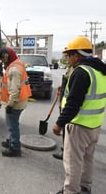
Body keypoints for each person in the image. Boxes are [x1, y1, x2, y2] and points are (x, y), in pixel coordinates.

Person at [52, 36, 106, 194]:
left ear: (77, 55)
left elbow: (73, 103)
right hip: (94, 125)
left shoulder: (81, 72)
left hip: (79, 125)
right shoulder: (100, 70)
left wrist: (59, 123)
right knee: (88, 159)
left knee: (72, 162)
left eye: (69, 55)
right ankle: (85, 187)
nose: (67, 58)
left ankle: (70, 191)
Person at [0, 47, 32, 157]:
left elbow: (14, 90)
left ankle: (15, 148)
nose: (3, 61)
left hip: (15, 103)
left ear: (8, 56)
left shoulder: (14, 69)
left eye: (4, 58)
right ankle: (11, 140)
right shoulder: (18, 63)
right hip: (21, 100)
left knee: (12, 125)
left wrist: (10, 105)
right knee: (12, 123)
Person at [52, 65, 73, 160]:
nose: (67, 58)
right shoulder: (71, 67)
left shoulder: (77, 70)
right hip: (65, 100)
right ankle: (66, 149)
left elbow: (73, 94)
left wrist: (62, 102)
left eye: (68, 55)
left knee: (66, 129)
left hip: (68, 104)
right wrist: (62, 86)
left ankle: (66, 151)